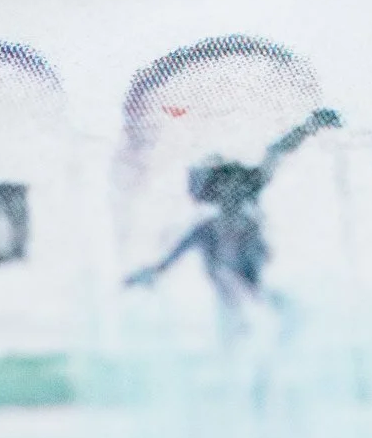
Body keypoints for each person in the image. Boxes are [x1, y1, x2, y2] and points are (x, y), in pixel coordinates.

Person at [124, 107, 341, 334]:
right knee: (242, 315)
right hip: (237, 292)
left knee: (259, 312)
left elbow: (277, 151)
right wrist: (147, 275)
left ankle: (253, 335)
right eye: (222, 187)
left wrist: (311, 125)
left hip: (247, 289)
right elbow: (167, 262)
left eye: (234, 186)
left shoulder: (226, 232)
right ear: (213, 193)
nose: (230, 193)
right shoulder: (207, 232)